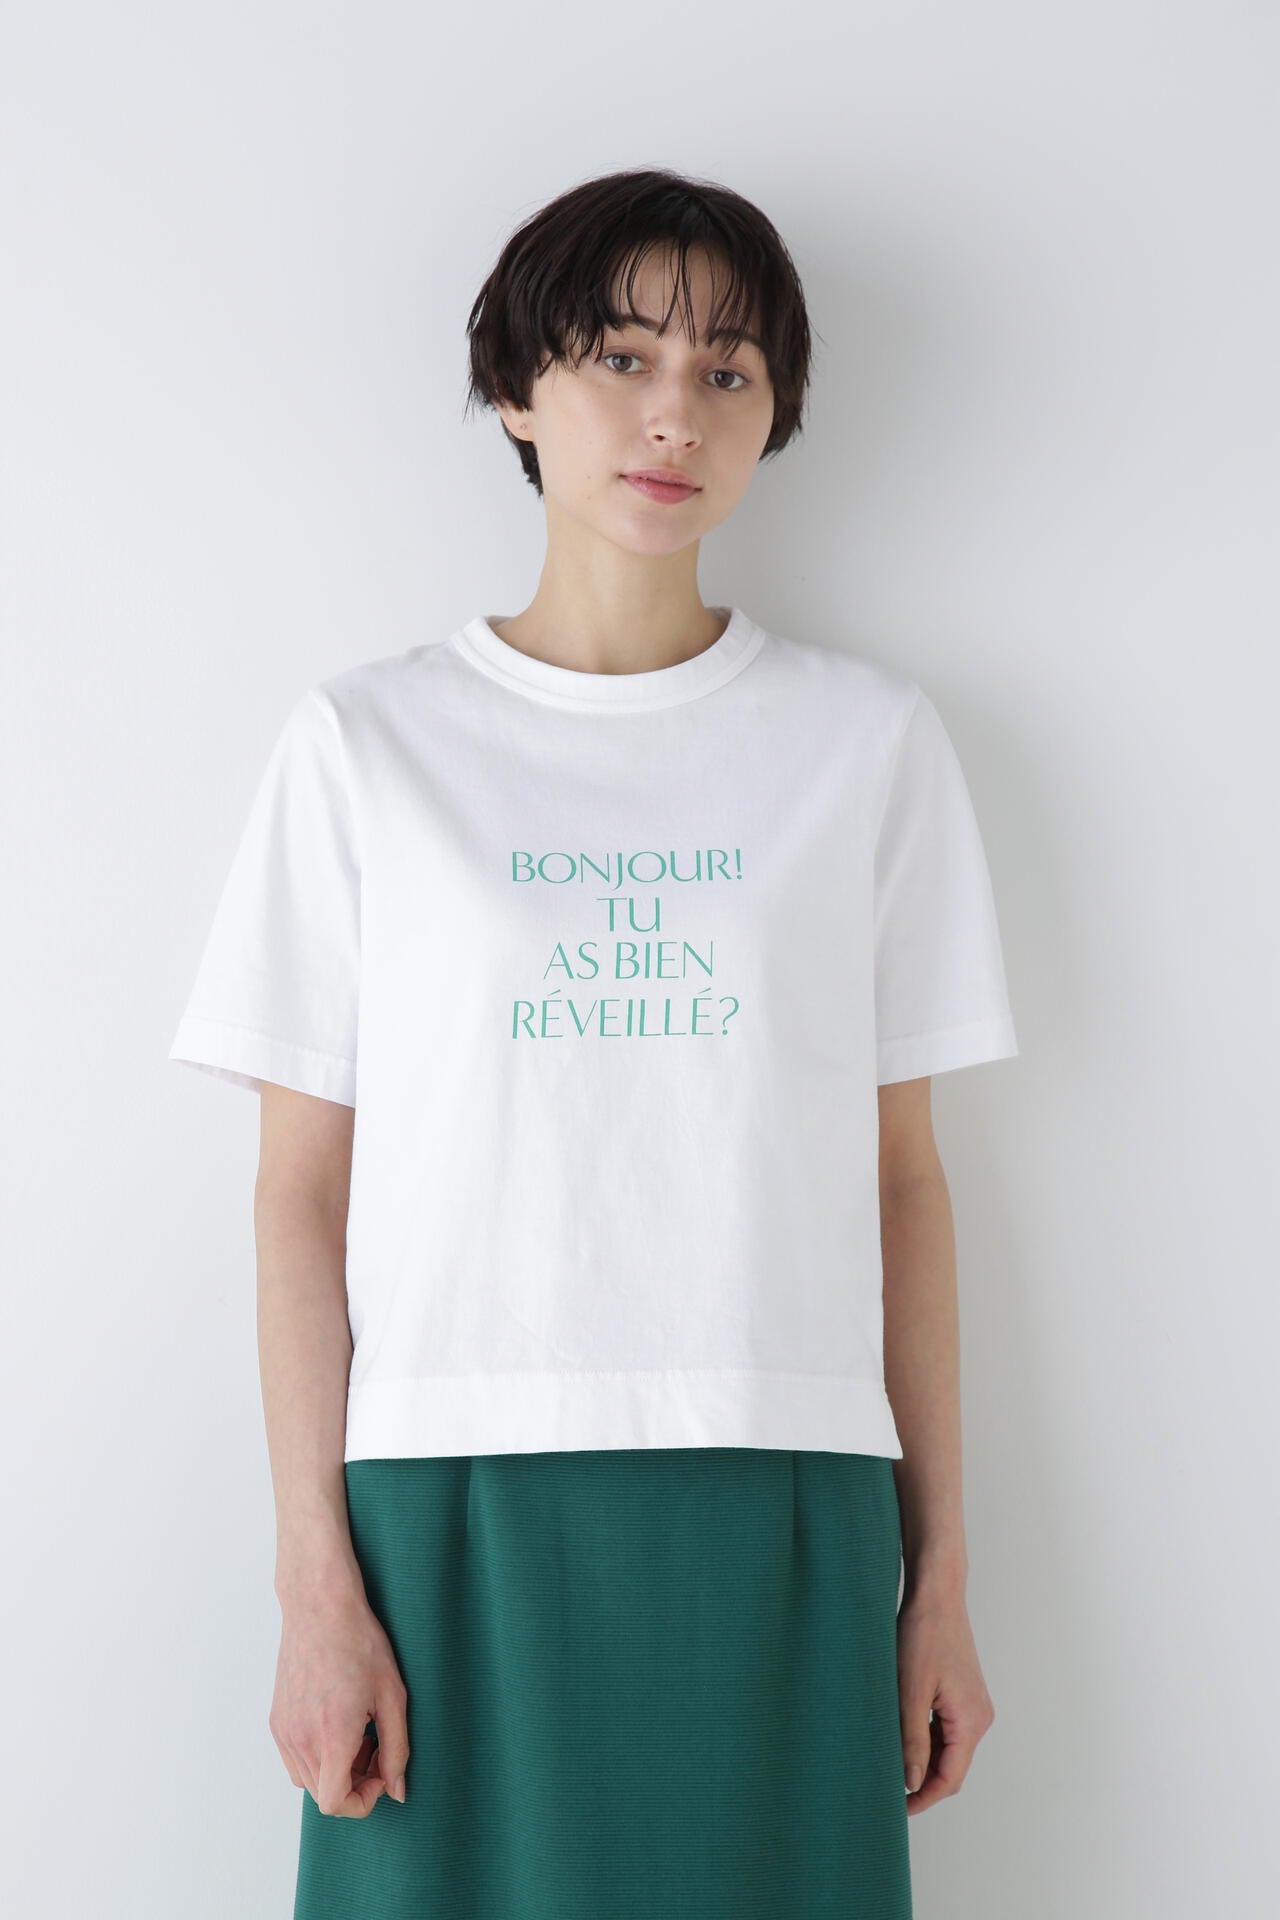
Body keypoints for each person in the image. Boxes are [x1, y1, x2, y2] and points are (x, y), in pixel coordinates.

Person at [168, 166, 1018, 1920]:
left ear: (774, 415)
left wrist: (940, 1578)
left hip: (781, 1480)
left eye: (727, 371)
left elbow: (903, 1184)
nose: (672, 414)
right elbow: (298, 1196)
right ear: (515, 389)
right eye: (622, 357)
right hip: (448, 1490)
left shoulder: (865, 745)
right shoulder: (366, 745)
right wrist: (315, 1585)